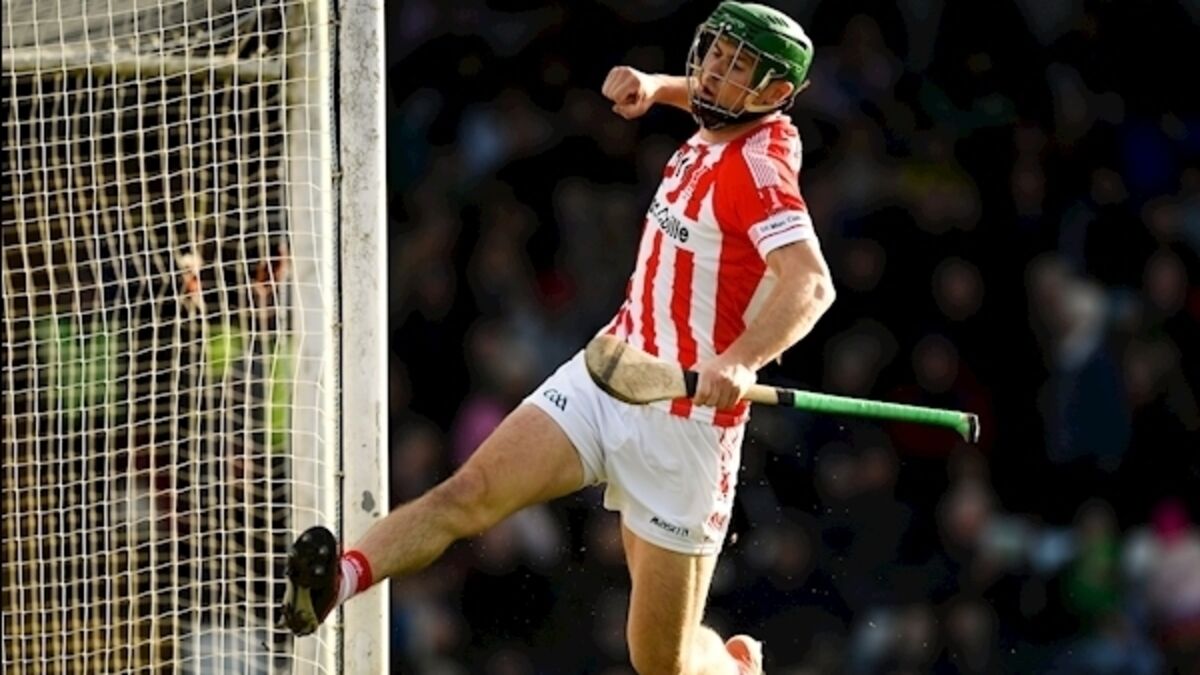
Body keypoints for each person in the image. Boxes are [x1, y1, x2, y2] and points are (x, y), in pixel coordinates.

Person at [281, 3, 836, 673]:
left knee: (659, 661)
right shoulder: (726, 115)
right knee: (468, 494)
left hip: (685, 428)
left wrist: (742, 360)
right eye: (715, 52)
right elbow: (705, 93)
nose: (713, 71)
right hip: (607, 375)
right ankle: (335, 583)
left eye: (736, 65)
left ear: (775, 94)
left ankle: (734, 667)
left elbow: (811, 283)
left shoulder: (760, 170)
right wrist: (657, 87)